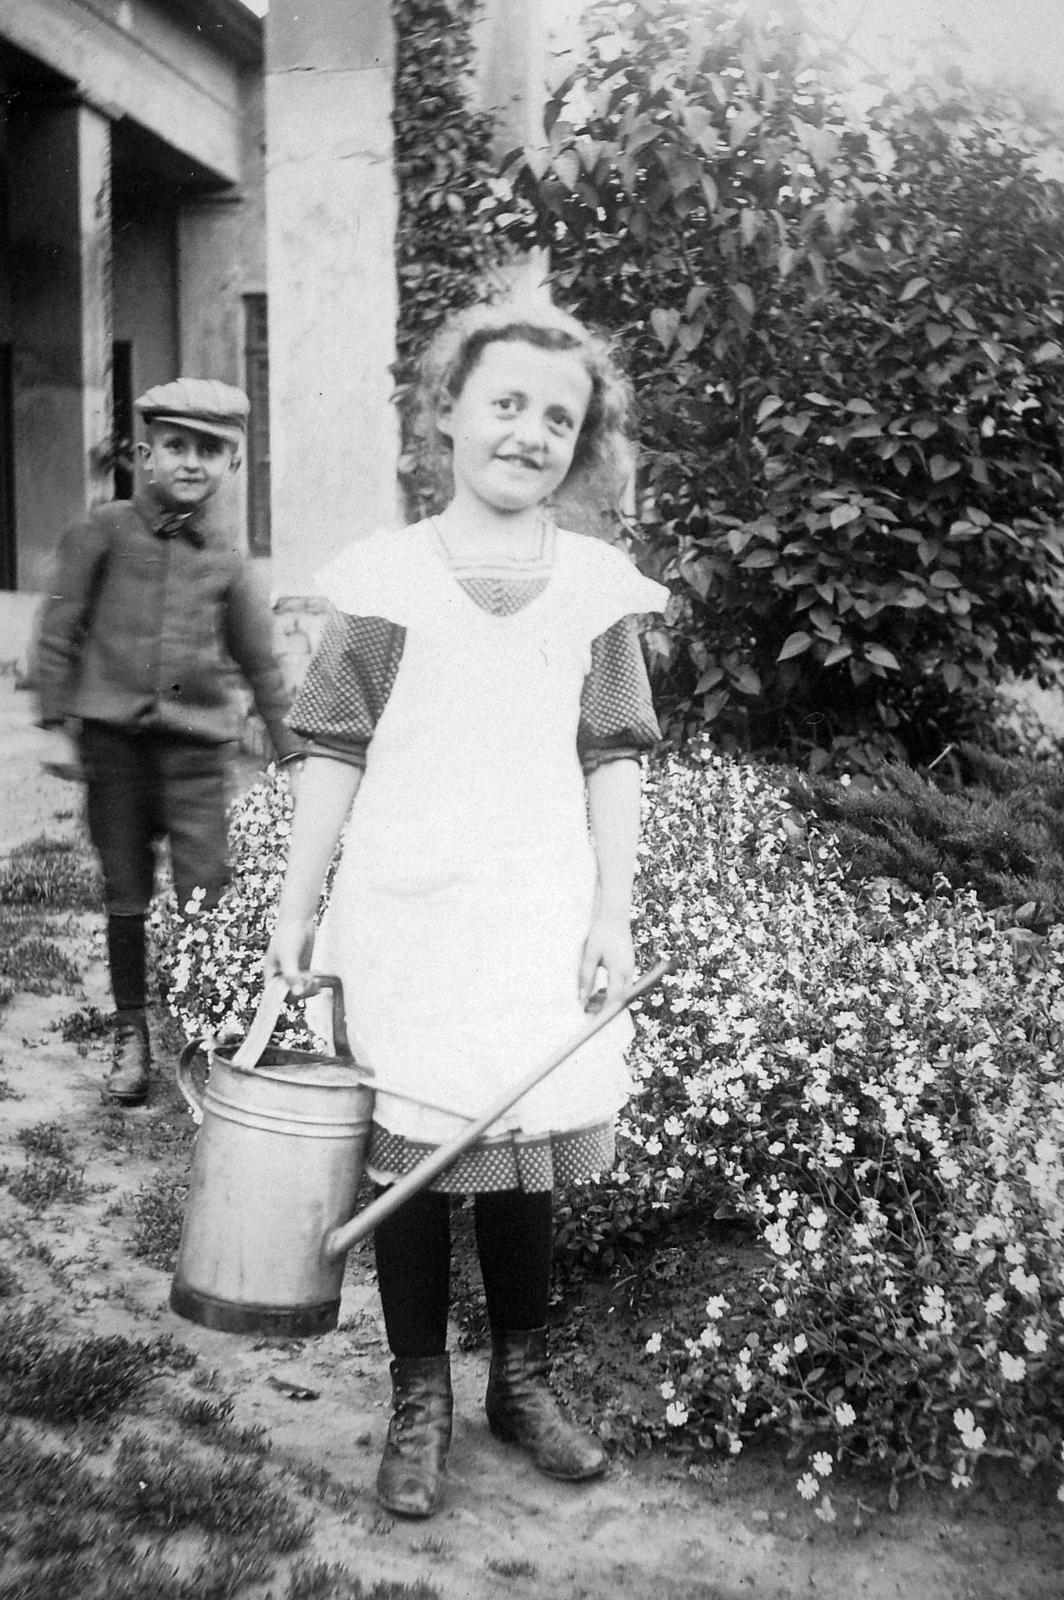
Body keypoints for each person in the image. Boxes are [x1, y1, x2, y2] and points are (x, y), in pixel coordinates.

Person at [265, 294, 670, 1518]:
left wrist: (612, 912)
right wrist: (294, 909)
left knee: (517, 1142)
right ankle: (419, 1393)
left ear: (581, 444)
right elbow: (333, 751)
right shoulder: (384, 580)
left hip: (534, 910)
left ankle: (521, 1382)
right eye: (505, 403)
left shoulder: (593, 589)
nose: (528, 432)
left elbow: (613, 755)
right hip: (405, 914)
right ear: (446, 412)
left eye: (558, 418)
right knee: (414, 1156)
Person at [35, 378, 305, 1107]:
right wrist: (56, 722)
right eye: (176, 446)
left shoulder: (229, 559)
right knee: (125, 891)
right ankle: (131, 1034)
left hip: (196, 756)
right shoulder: (102, 530)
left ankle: (205, 1032)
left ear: (233, 464)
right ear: (145, 454)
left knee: (204, 894)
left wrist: (291, 755)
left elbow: (261, 664)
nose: (191, 462)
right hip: (114, 749)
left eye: (210, 451)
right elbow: (58, 629)